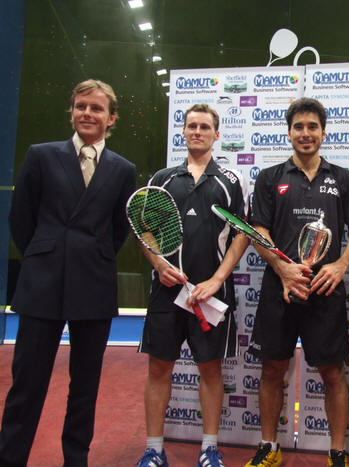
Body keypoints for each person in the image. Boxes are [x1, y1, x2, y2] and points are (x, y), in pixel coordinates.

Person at [0, 79, 136, 466]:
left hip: (94, 286)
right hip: (41, 285)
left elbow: (118, 230)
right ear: (72, 111)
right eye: (80, 106)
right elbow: (21, 220)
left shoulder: (123, 170)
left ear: (111, 118)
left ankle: (76, 460)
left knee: (84, 388)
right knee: (26, 385)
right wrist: (46, 255)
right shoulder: (41, 156)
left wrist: (88, 255)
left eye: (96, 108)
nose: (86, 113)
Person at [244, 97, 349, 467]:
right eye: (298, 127)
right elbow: (258, 230)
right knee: (272, 369)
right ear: (289, 132)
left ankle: (337, 453)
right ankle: (269, 447)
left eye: (313, 126)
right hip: (280, 288)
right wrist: (283, 268)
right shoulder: (270, 178)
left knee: (333, 373)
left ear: (323, 132)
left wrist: (341, 265)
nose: (306, 133)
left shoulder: (342, 178)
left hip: (325, 290)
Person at [135, 103, 250, 467]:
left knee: (211, 370)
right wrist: (159, 263)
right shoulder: (163, 178)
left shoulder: (230, 181)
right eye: (192, 126)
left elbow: (242, 235)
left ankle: (209, 449)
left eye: (204, 127)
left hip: (211, 296)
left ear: (217, 134)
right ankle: (154, 450)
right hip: (166, 294)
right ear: (183, 132)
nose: (197, 131)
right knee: (158, 369)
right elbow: (144, 230)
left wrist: (217, 280)